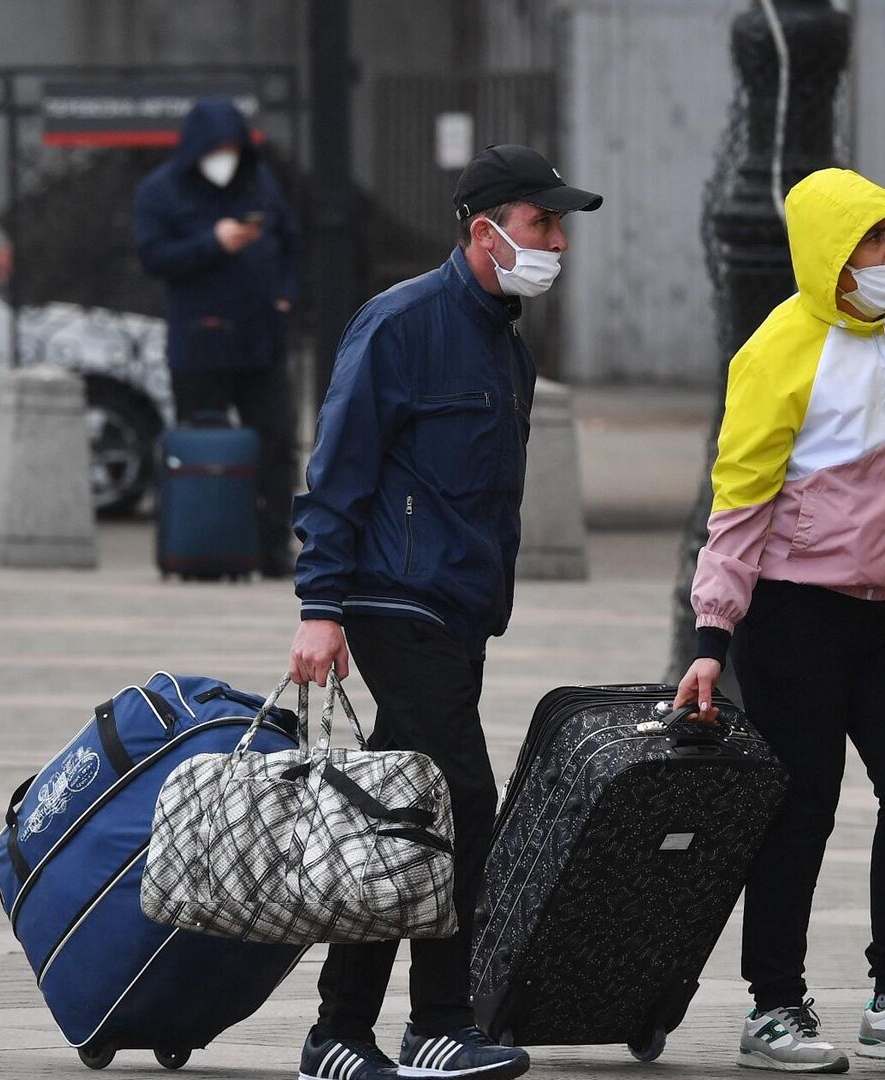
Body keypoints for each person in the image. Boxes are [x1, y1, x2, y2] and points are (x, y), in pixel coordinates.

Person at [287, 144, 602, 1080]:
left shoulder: (508, 343)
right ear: (485, 230)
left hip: (460, 614)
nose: (557, 243)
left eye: (559, 226)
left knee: (405, 809)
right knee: (461, 795)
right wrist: (321, 605)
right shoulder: (399, 324)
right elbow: (337, 470)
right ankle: (436, 1022)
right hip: (393, 601)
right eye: (543, 224)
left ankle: (340, 1033)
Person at [673, 168, 885, 1073]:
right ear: (828, 256)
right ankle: (773, 1008)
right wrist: (711, 636)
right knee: (800, 810)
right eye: (869, 243)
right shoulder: (778, 351)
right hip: (794, 615)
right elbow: (737, 505)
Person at [133, 96, 302, 577]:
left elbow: (289, 242)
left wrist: (286, 295)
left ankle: (271, 549)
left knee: (275, 442)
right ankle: (201, 545)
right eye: (217, 148)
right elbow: (154, 256)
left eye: (233, 147)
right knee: (201, 445)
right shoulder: (161, 191)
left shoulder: (258, 182)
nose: (225, 158)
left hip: (261, 337)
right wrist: (214, 243)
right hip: (199, 341)